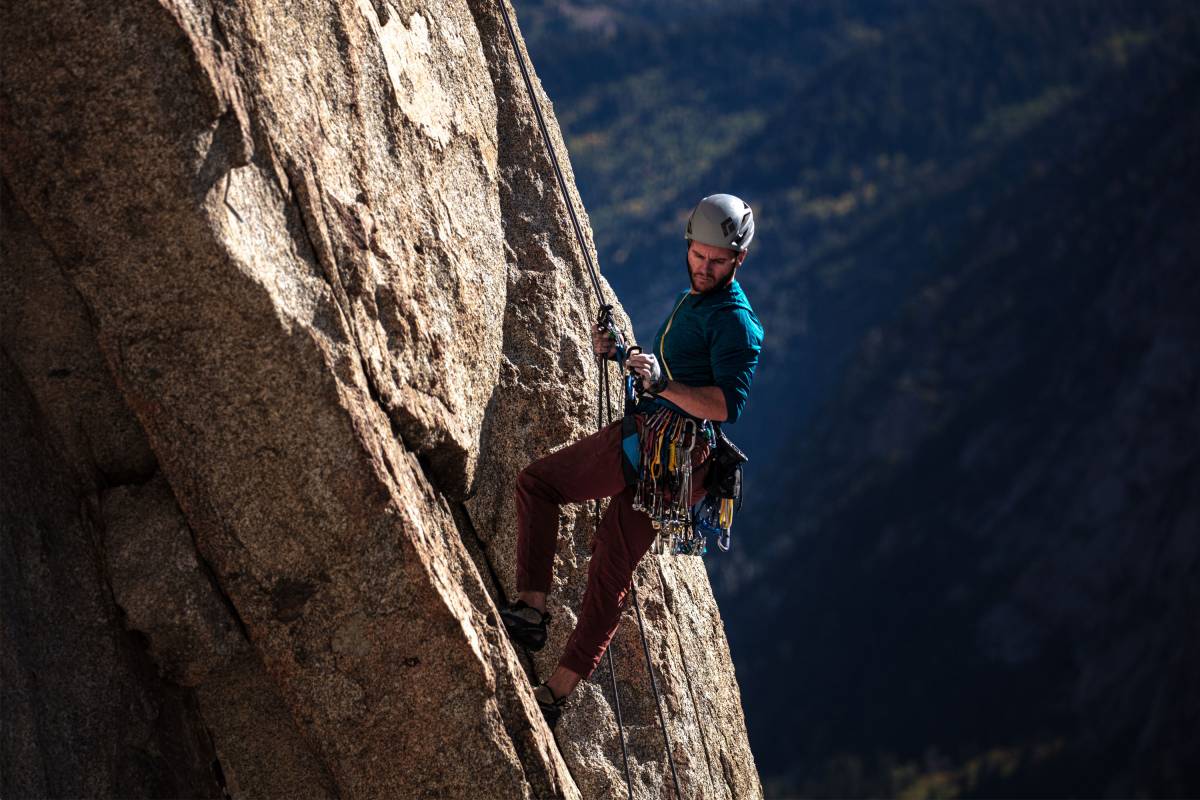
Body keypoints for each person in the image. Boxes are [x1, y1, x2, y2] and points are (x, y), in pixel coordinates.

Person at [500, 194, 765, 728]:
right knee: (609, 568)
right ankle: (552, 683)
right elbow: (676, 377)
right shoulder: (695, 301)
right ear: (690, 245)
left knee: (541, 487)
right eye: (699, 255)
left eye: (717, 261)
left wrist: (663, 385)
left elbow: (722, 405)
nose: (704, 267)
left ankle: (535, 623)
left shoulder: (737, 323)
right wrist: (623, 355)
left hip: (660, 446)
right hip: (675, 463)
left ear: (738, 261)